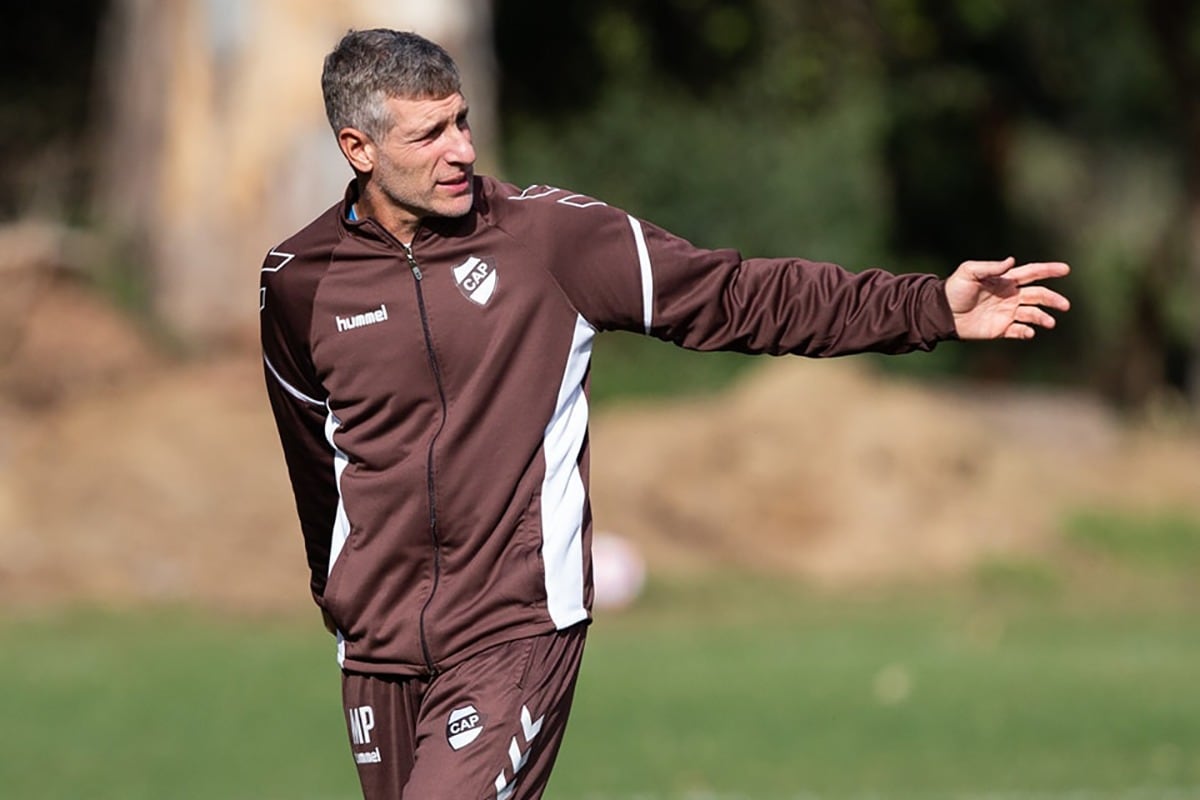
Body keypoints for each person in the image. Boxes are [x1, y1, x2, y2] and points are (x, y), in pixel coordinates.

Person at [259, 28, 1070, 800]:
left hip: (513, 624)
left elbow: (737, 295)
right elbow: (315, 458)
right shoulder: (298, 282)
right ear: (358, 149)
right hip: (378, 649)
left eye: (462, 121)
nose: (463, 149)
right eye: (430, 134)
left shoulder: (549, 241)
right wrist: (341, 593)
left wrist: (928, 307)